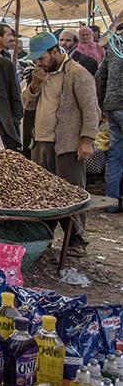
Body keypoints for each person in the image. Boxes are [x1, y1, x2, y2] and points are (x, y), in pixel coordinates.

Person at [22, 32, 100, 254]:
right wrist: (35, 85)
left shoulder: (77, 73)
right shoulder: (39, 74)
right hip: (40, 142)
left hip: (66, 145)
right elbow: (27, 104)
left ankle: (76, 241)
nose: (38, 63)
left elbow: (91, 110)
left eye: (41, 58)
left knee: (71, 194)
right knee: (42, 195)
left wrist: (87, 141)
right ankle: (43, 238)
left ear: (55, 52)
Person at [95, 21, 123, 213]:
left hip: (112, 107)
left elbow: (99, 77)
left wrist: (102, 103)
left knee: (115, 155)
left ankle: (112, 202)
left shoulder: (112, 49)